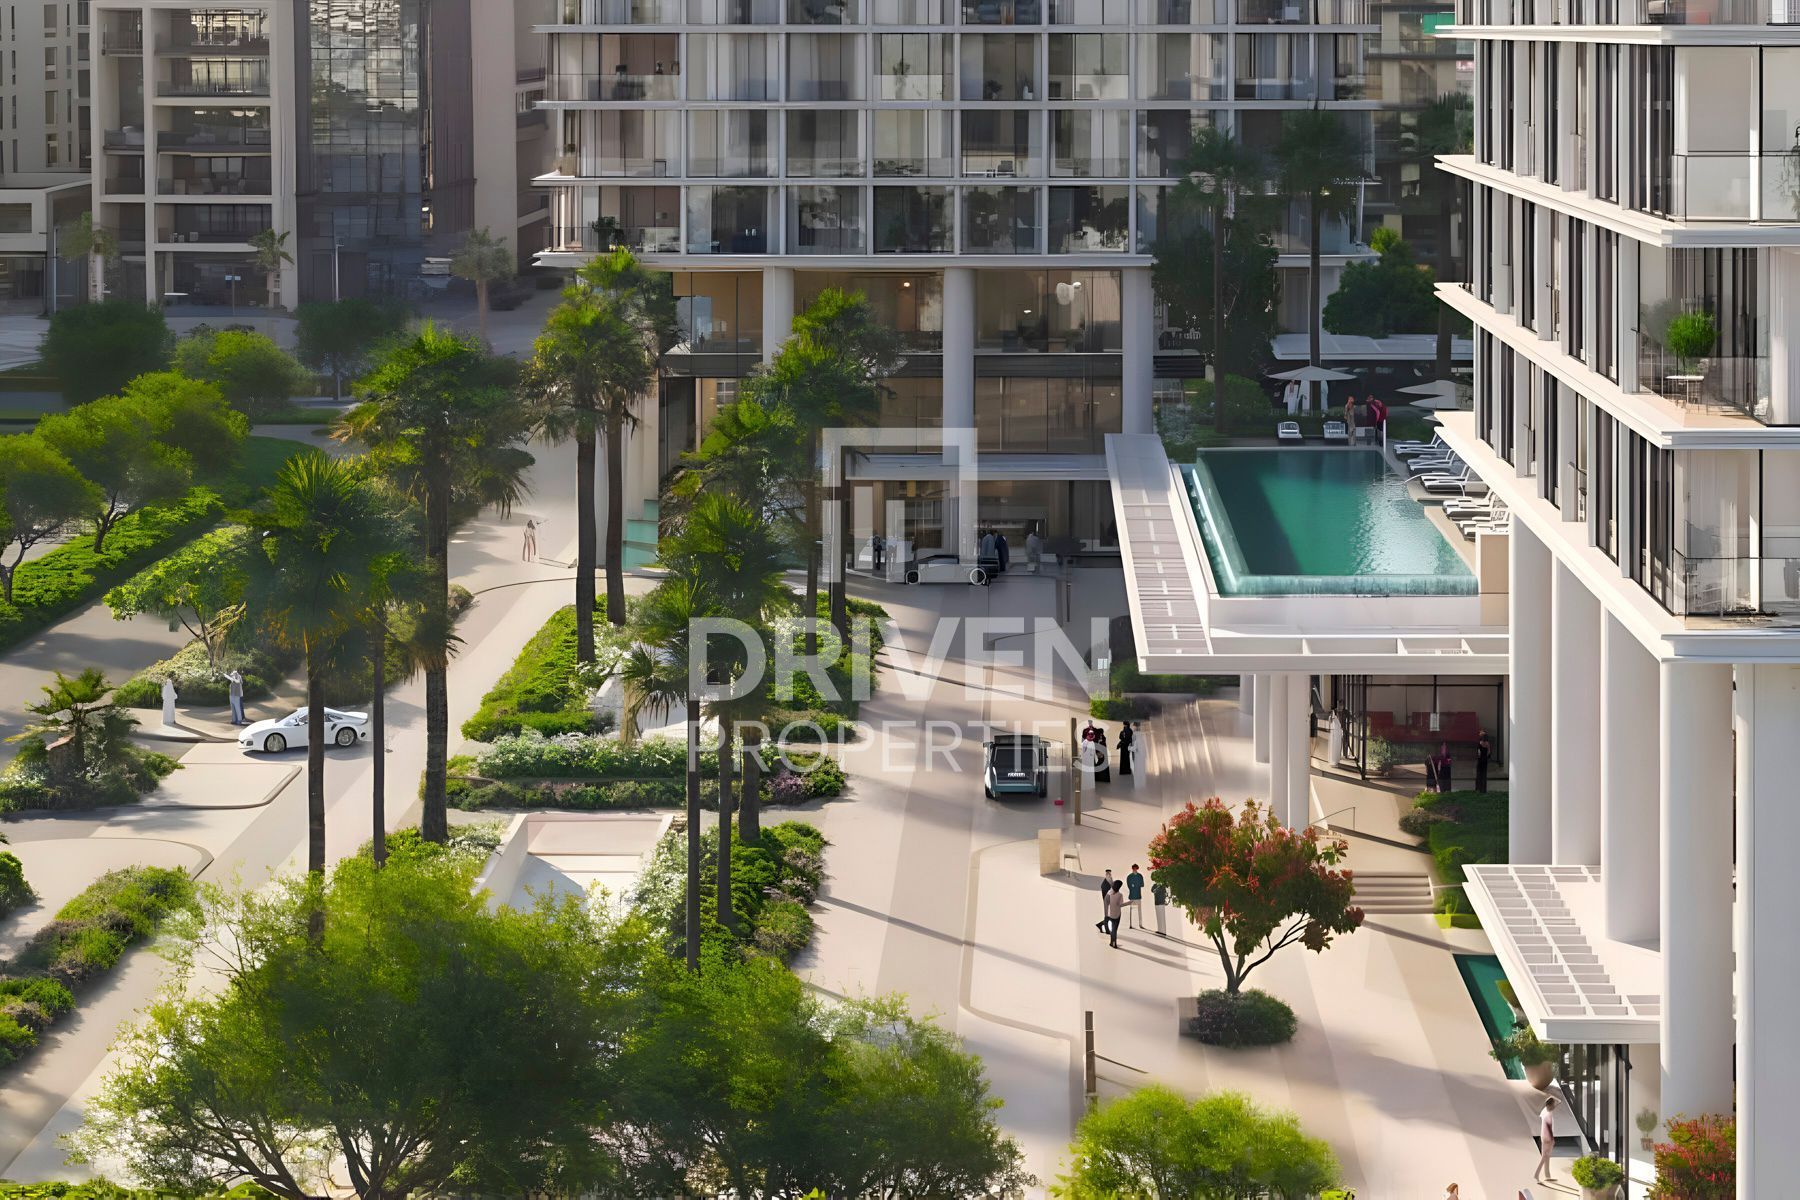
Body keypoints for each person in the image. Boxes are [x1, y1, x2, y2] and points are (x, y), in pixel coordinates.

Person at [1534, 1094, 1560, 1183]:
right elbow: (1549, 1127)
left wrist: (1552, 1098)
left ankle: (1547, 1175)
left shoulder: (1544, 1111)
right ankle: (1536, 1175)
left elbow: (1559, 1102)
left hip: (1543, 1136)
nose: (1554, 1106)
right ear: (1550, 1105)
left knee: (1546, 1156)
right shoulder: (1548, 1114)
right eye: (1553, 1104)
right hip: (1547, 1137)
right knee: (1545, 1157)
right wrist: (1552, 1139)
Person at [1105, 879, 1125, 948]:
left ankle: (1111, 942)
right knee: (1114, 929)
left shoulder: (1109, 893)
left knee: (1112, 929)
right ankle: (1114, 943)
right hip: (1117, 914)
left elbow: (1106, 902)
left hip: (1110, 913)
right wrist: (1129, 903)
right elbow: (1121, 905)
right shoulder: (1120, 895)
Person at [1125, 864, 1145, 928]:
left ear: (1137, 868)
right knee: (1131, 910)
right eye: (1133, 868)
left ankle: (1140, 924)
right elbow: (1129, 886)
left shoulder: (1140, 876)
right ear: (1132, 868)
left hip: (1138, 896)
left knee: (1139, 911)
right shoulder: (1129, 877)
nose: (1134, 869)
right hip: (1132, 896)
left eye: (1136, 868)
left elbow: (1142, 884)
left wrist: (1134, 885)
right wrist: (1135, 885)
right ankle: (1131, 924)